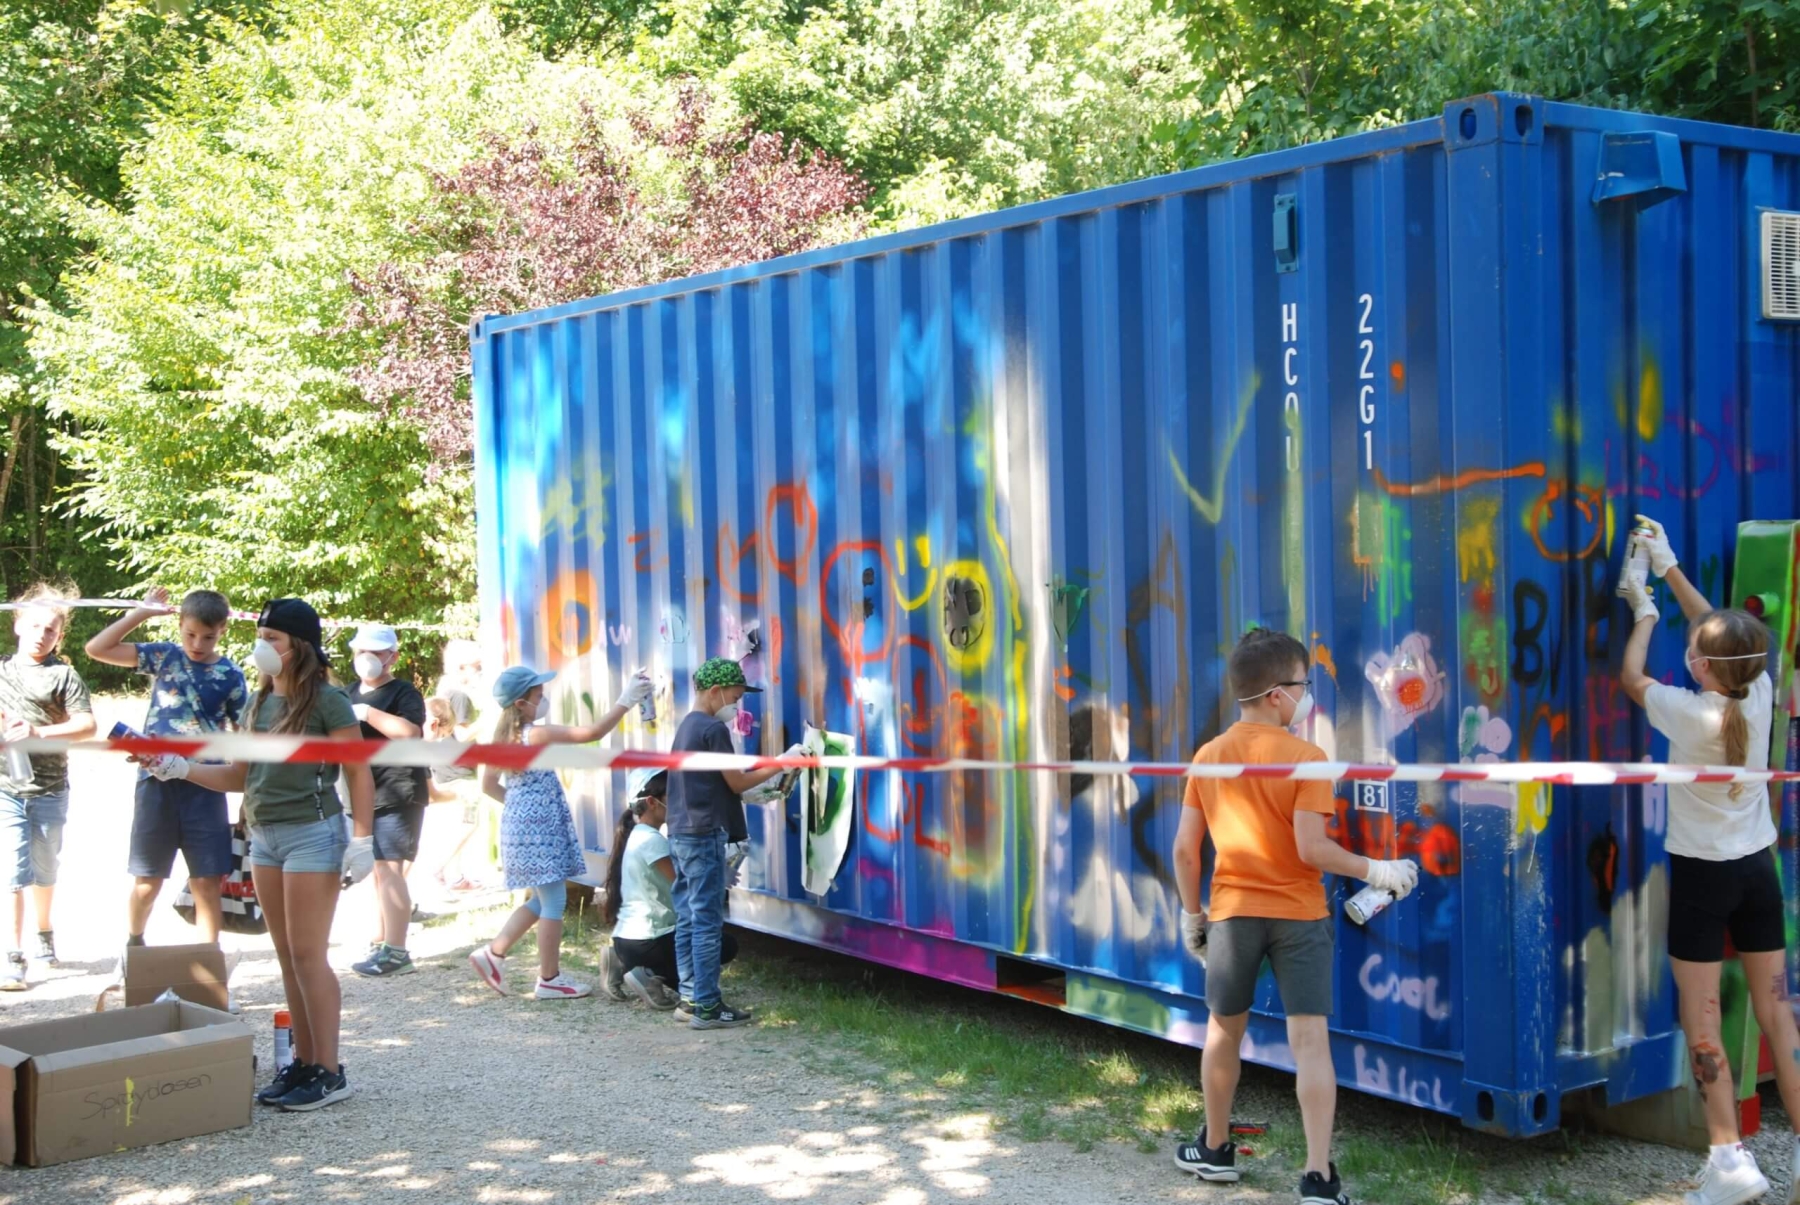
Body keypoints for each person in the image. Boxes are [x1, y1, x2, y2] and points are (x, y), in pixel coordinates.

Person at [1170, 627, 1418, 1205]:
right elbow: (1311, 850)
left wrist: (1192, 917)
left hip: (1232, 914)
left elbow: (1185, 851)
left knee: (1222, 1033)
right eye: (1304, 684)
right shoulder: (1308, 758)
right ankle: (1317, 1178)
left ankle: (1216, 1149)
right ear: (1278, 694)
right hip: (1300, 916)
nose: (1308, 695)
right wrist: (1378, 870)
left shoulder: (1208, 757)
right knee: (1310, 1043)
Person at [1620, 516, 1800, 1205]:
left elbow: (1632, 677)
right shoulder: (1758, 688)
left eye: (1694, 650)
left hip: (1703, 878)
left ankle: (1729, 1162)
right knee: (1777, 1012)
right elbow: (1724, 637)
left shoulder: (1685, 710)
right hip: (1757, 871)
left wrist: (1644, 609)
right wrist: (1669, 566)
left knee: (1702, 1020)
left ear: (1700, 666)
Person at [151, 598, 375, 1111]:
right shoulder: (257, 703)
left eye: (272, 638)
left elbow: (358, 772)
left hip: (313, 835)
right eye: (260, 637)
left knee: (308, 955)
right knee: (286, 955)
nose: (262, 647)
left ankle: (330, 1071)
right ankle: (304, 1062)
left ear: (299, 645)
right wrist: (179, 768)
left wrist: (363, 839)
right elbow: (239, 776)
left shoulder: (329, 701)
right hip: (265, 838)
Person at [467, 664, 651, 1000]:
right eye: (538, 696)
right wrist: (626, 699)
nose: (543, 700)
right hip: (540, 831)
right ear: (521, 704)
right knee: (554, 900)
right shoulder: (534, 735)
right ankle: (549, 978)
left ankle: (494, 953)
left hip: (520, 828)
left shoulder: (501, 740)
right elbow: (593, 733)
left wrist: (520, 807)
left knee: (541, 899)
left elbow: (488, 785)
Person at [85, 587, 247, 949]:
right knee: (147, 881)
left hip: (206, 786)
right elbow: (97, 649)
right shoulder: (163, 656)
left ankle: (208, 958)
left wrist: (246, 793)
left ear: (223, 629)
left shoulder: (231, 675)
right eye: (190, 634)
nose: (198, 644)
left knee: (207, 881)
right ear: (180, 625)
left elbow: (245, 737)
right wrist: (142, 612)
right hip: (155, 784)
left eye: (208, 636)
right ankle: (134, 944)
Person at [665, 657, 791, 1030]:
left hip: (681, 832)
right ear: (716, 691)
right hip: (704, 834)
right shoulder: (712, 729)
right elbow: (736, 782)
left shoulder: (687, 726)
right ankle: (708, 1006)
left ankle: (690, 998)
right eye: (735, 698)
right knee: (707, 921)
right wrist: (782, 763)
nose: (737, 706)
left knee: (688, 917)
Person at [0, 585, 95, 988]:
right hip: (6, 788)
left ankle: (44, 932)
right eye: (35, 625)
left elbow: (87, 725)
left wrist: (38, 731)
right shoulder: (3, 671)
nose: (42, 634)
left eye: (51, 629)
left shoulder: (63, 675)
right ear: (18, 624)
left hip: (50, 789)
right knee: (12, 872)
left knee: (45, 868)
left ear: (60, 635)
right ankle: (12, 955)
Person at [599, 767, 738, 1010]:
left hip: (631, 939)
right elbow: (685, 884)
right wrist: (719, 872)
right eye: (672, 796)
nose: (679, 802)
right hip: (647, 940)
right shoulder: (652, 841)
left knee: (686, 977)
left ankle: (624, 962)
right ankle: (647, 972)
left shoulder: (640, 835)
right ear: (652, 802)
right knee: (724, 945)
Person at [344, 624, 428, 979]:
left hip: (398, 790)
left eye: (376, 652)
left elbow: (410, 732)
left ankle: (396, 952)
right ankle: (381, 942)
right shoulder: (347, 693)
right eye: (361, 651)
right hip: (362, 794)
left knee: (390, 870)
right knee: (377, 871)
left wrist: (366, 713)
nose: (367, 658)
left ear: (392, 657)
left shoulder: (403, 691)